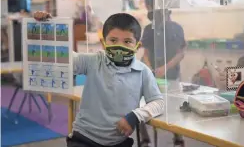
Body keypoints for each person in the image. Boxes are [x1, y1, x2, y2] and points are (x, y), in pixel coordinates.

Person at [34, 11, 165, 147]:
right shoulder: (94, 61)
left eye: (127, 41)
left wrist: (135, 116)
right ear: (104, 43)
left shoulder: (143, 72)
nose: (120, 47)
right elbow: (64, 58)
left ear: (137, 46)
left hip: (118, 142)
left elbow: (158, 103)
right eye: (113, 40)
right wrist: (47, 29)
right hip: (83, 139)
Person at [140, 0, 186, 147]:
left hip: (172, 75)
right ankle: (145, 139)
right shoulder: (148, 29)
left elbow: (181, 54)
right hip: (152, 76)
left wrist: (165, 68)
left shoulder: (176, 29)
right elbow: (145, 53)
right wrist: (150, 68)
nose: (151, 13)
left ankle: (178, 137)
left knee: (174, 107)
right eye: (149, 9)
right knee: (145, 105)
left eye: (153, 8)